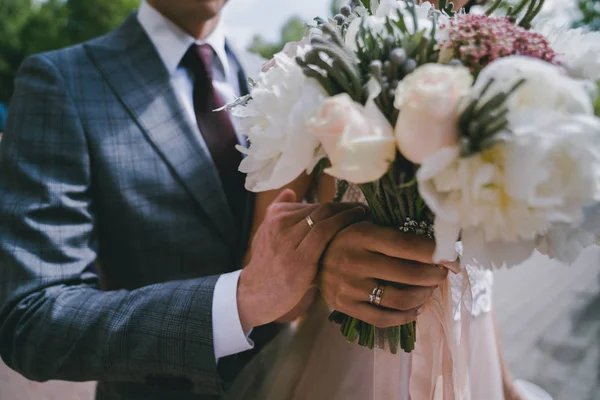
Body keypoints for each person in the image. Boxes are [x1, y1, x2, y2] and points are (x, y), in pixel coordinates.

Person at [0, 1, 449, 399]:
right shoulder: (62, 82)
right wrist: (242, 300)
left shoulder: (293, 76)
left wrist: (324, 260)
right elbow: (32, 323)